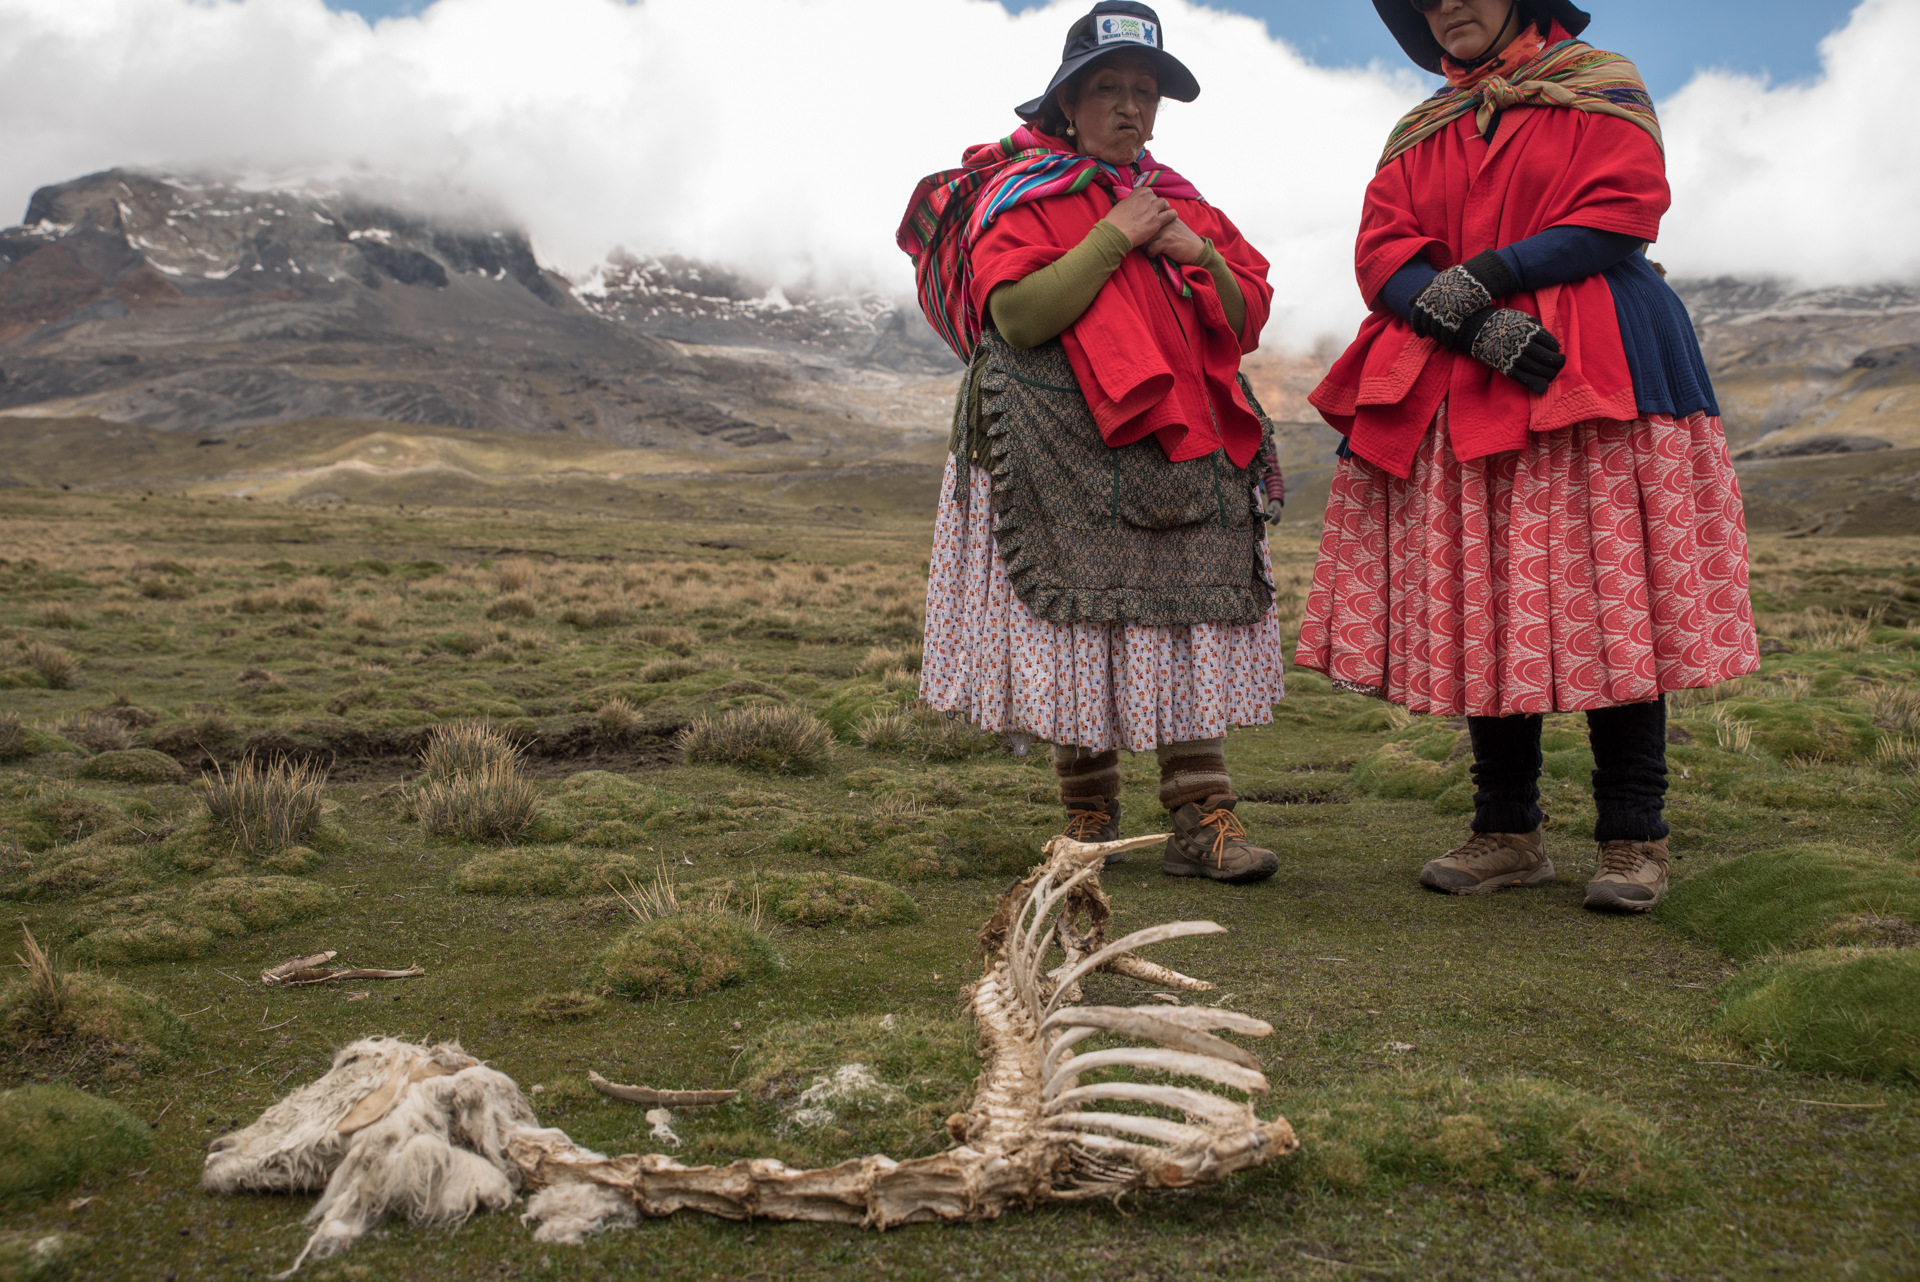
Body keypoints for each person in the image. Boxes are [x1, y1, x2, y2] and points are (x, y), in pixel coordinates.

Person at [1296, 0, 1759, 911]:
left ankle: (1634, 836)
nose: (1444, 6)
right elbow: (1383, 252)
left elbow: (1623, 210)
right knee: (1489, 591)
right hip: (1463, 370)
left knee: (1607, 588)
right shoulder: (1422, 128)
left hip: (1596, 363)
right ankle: (1506, 830)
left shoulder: (1600, 85)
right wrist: (1469, 321)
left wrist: (1491, 276)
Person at [896, 1, 1288, 884]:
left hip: (1181, 441)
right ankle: (1087, 824)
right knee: (1077, 620)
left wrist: (1197, 252)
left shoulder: (1186, 205)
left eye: (1144, 91)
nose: (1129, 106)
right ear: (1067, 103)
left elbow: (1245, 320)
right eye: (1107, 87)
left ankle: (1203, 817)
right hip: (1057, 446)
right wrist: (1116, 236)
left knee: (1186, 616)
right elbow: (1019, 316)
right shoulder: (1026, 200)